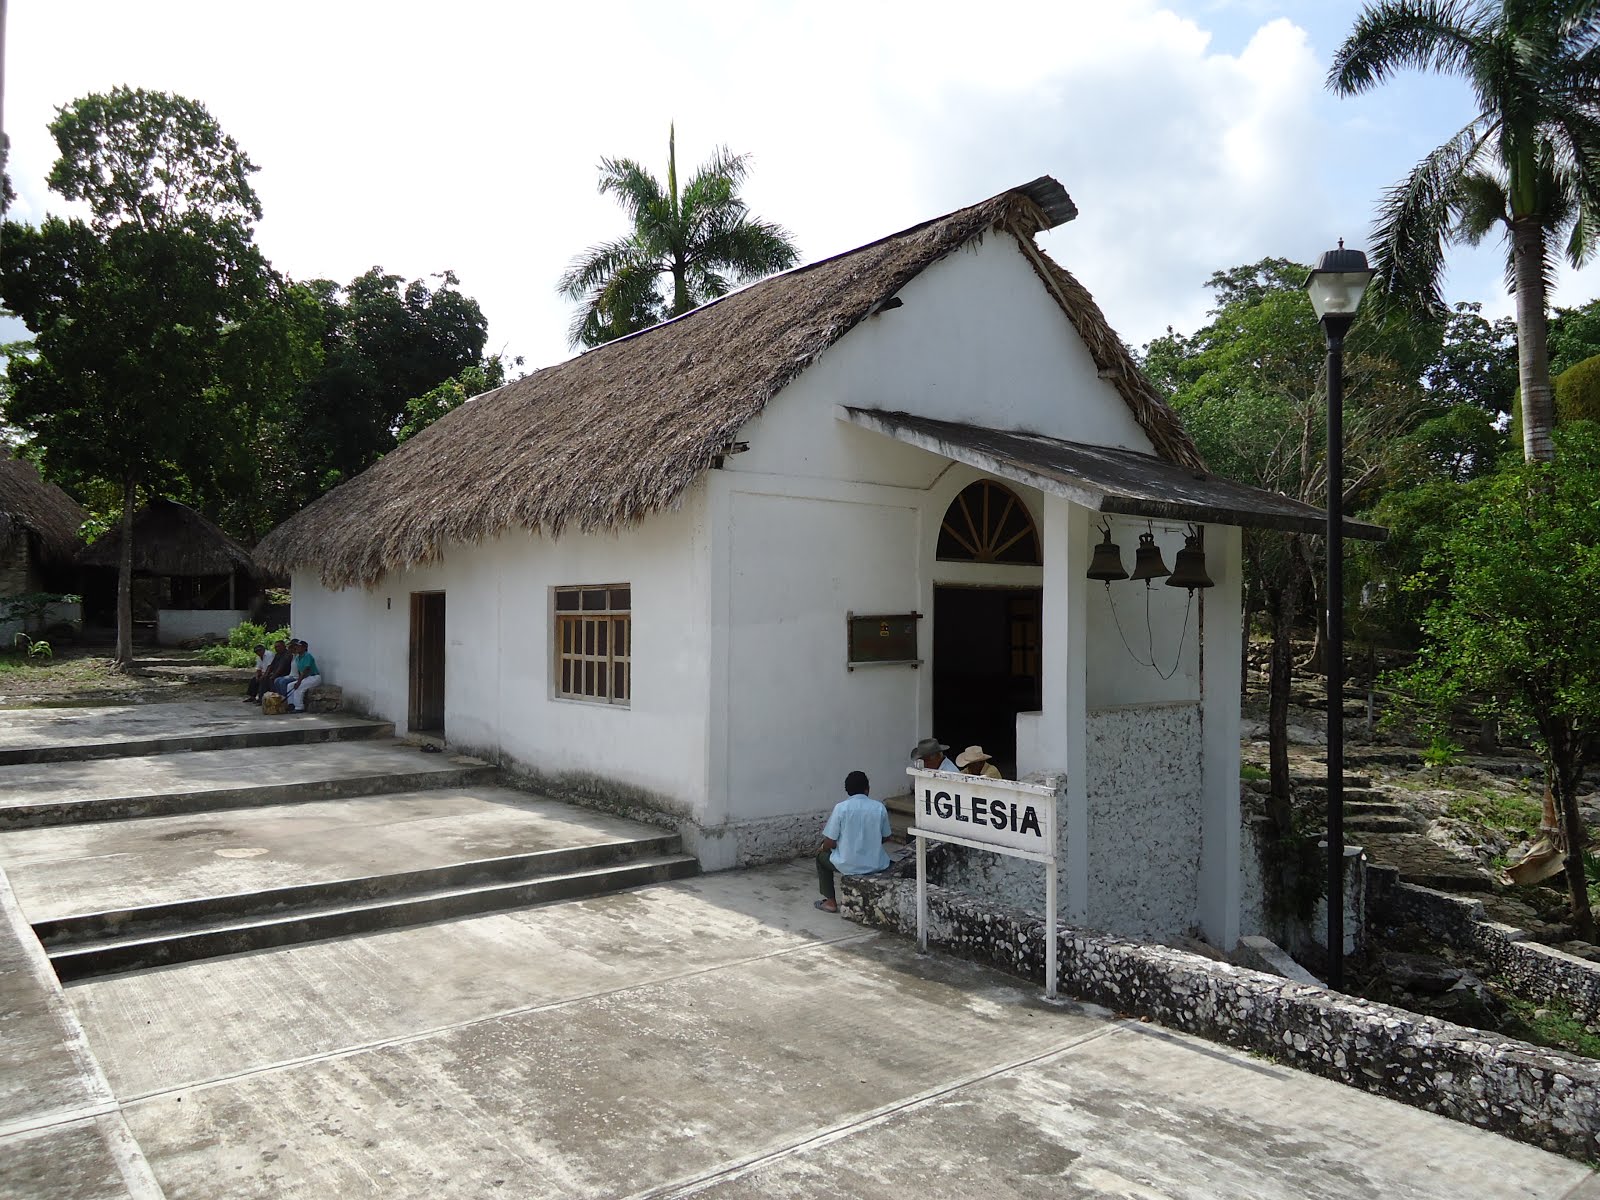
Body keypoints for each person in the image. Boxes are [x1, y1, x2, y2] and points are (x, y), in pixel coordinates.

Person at [815, 770, 893, 914]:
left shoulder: (841, 808)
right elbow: (887, 836)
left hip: (848, 865)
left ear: (847, 790)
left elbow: (830, 841)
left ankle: (830, 902)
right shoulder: (879, 807)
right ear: (867, 789)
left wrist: (823, 848)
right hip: (875, 864)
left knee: (820, 858)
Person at [283, 640, 322, 713]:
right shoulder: (297, 658)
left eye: (299, 646)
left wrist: (299, 681)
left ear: (304, 648)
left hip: (314, 677)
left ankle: (299, 707)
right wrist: (298, 681)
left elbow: (306, 670)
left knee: (299, 688)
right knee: (290, 685)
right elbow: (300, 671)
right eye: (296, 646)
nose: (296, 647)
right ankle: (291, 705)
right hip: (306, 677)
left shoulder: (307, 656)